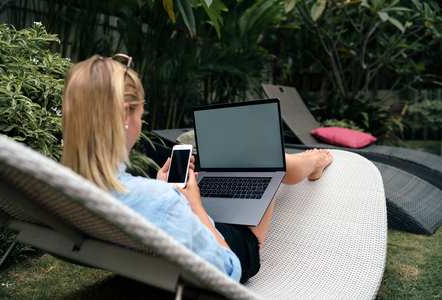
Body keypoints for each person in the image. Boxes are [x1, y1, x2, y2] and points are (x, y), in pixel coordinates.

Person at [61, 54, 333, 283]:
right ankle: (314, 161)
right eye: (140, 114)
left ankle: (307, 161)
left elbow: (150, 207)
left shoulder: (68, 187)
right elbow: (229, 267)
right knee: (268, 163)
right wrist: (196, 207)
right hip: (231, 252)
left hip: (167, 244)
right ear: (124, 114)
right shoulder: (162, 200)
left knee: (257, 161)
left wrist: (161, 186)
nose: (140, 121)